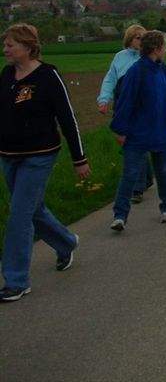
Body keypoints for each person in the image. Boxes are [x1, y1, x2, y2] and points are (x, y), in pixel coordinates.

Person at [1, 24, 90, 302]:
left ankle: (16, 280)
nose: (5, 49)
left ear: (27, 47)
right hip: (8, 155)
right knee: (31, 209)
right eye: (4, 44)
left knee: (19, 215)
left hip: (39, 155)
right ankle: (65, 242)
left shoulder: (48, 76)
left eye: (10, 44)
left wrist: (79, 158)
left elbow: (67, 118)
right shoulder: (6, 75)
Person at [109, 30, 166, 231]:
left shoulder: (163, 70)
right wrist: (120, 129)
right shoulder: (135, 72)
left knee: (162, 171)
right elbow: (125, 102)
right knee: (130, 174)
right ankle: (120, 215)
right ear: (156, 49)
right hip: (138, 133)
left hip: (160, 130)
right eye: (165, 47)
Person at [97, 24, 154, 203]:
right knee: (132, 145)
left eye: (143, 37)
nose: (140, 40)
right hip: (122, 105)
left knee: (136, 144)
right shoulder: (120, 58)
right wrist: (104, 99)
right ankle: (146, 178)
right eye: (137, 37)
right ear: (130, 39)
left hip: (142, 107)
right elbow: (110, 79)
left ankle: (137, 188)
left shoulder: (149, 58)